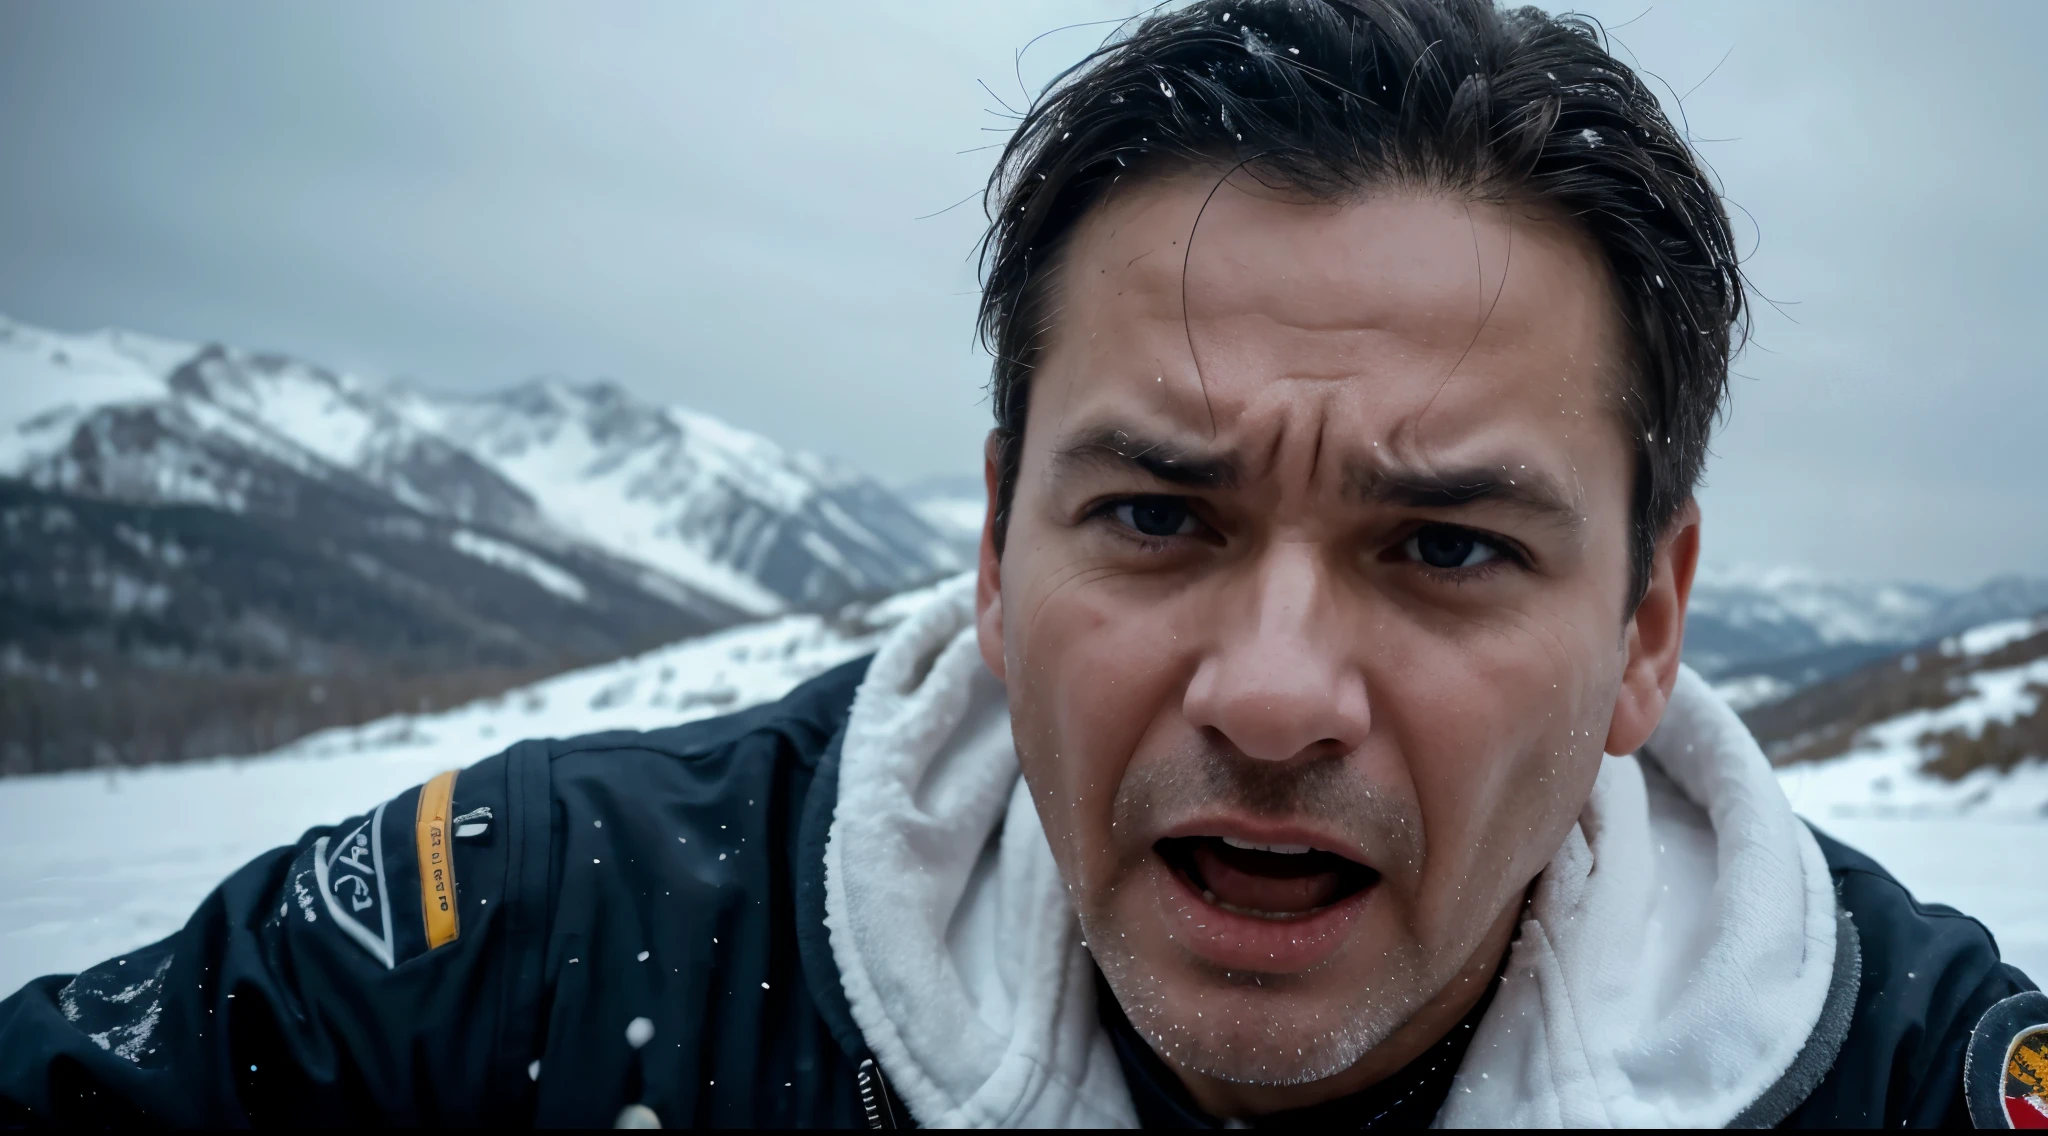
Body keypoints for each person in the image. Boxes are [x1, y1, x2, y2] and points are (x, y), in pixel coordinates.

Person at [2, 0, 2037, 1127]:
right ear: (993, 542)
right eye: (1156, 515)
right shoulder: (536, 940)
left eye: (1442, 545)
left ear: (1644, 630)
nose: (1267, 690)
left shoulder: (1911, 1082)